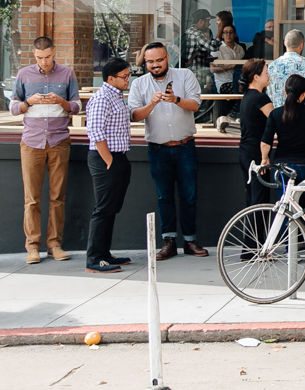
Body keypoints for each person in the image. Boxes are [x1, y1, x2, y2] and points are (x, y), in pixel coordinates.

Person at [129, 41, 208, 260]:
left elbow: (195, 105)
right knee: (164, 196)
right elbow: (134, 115)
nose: (155, 65)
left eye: (159, 60)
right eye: (150, 62)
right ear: (145, 63)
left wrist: (175, 100)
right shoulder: (139, 84)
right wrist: (152, 104)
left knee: (189, 196)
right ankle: (168, 241)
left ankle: (190, 240)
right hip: (158, 148)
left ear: (167, 58)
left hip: (185, 146)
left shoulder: (185, 76)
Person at [9, 36, 81, 264]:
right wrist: (28, 102)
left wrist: (61, 101)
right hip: (32, 141)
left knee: (57, 196)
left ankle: (54, 244)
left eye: (48, 57)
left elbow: (77, 106)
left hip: (59, 139)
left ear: (54, 52)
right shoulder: (23, 74)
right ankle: (32, 247)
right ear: (34, 55)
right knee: (31, 198)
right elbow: (13, 107)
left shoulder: (67, 73)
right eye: (40, 58)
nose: (44, 62)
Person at [260, 73, 305, 236]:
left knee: (285, 207)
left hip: (283, 167)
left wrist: (264, 158)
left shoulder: (275, 114)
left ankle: (288, 247)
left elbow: (265, 141)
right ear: (304, 94)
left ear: (285, 92)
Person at [84, 57, 134, 274]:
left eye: (129, 75)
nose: (128, 80)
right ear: (111, 78)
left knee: (112, 208)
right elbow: (96, 132)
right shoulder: (102, 98)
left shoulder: (117, 96)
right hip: (105, 158)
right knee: (103, 209)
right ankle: (94, 259)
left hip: (118, 156)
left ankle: (104, 253)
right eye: (124, 77)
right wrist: (110, 161)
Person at [236, 58, 274, 207]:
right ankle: (258, 231)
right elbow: (276, 120)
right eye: (266, 72)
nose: (268, 75)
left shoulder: (247, 97)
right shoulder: (261, 98)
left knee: (252, 200)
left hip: (245, 152)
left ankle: (251, 231)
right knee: (260, 201)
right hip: (257, 153)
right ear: (256, 77)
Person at [267, 29, 305, 107]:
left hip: (278, 114)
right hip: (303, 114)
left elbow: (269, 93)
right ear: (301, 45)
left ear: (284, 43)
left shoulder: (272, 66)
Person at [210, 24, 246, 96]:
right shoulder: (217, 49)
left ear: (235, 34)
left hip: (239, 82)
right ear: (222, 35)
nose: (228, 34)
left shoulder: (240, 48)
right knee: (237, 92)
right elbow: (212, 69)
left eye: (231, 32)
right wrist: (231, 66)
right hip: (224, 83)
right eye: (226, 32)